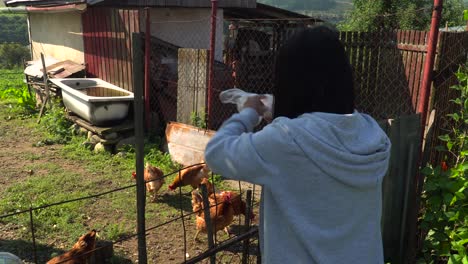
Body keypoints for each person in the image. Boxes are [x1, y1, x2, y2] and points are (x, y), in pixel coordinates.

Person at [204, 25, 391, 264]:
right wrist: (282, 114)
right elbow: (328, 125)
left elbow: (217, 153)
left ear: (290, 82)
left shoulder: (287, 141)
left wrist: (250, 112)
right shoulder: (372, 134)